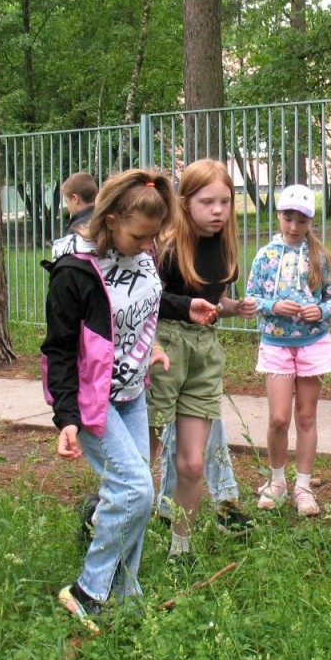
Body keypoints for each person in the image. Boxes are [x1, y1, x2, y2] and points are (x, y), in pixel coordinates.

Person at [42, 168, 197, 632]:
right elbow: (58, 351)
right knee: (135, 490)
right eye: (139, 235)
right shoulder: (74, 273)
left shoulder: (142, 257)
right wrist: (66, 418)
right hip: (91, 400)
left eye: (154, 237)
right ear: (109, 220)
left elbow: (145, 301)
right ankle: (88, 591)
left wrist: (186, 308)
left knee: (136, 497)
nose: (148, 245)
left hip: (131, 392)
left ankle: (126, 594)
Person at [147, 159, 257, 564]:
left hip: (204, 353)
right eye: (207, 202)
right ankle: (113, 532)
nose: (218, 211)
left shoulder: (224, 245)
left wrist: (232, 307)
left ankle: (182, 549)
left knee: (193, 462)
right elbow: (144, 300)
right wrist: (184, 306)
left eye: (225, 202)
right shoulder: (164, 246)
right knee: (144, 456)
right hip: (163, 350)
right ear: (184, 202)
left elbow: (210, 303)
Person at [246, 185, 331, 516]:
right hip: (276, 342)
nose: (293, 226)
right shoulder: (265, 255)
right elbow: (251, 300)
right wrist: (273, 306)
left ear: (310, 222)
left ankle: (303, 486)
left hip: (313, 343)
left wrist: (323, 311)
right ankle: (276, 481)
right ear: (279, 216)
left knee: (305, 415)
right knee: (278, 418)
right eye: (288, 218)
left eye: (301, 220)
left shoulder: (320, 256)